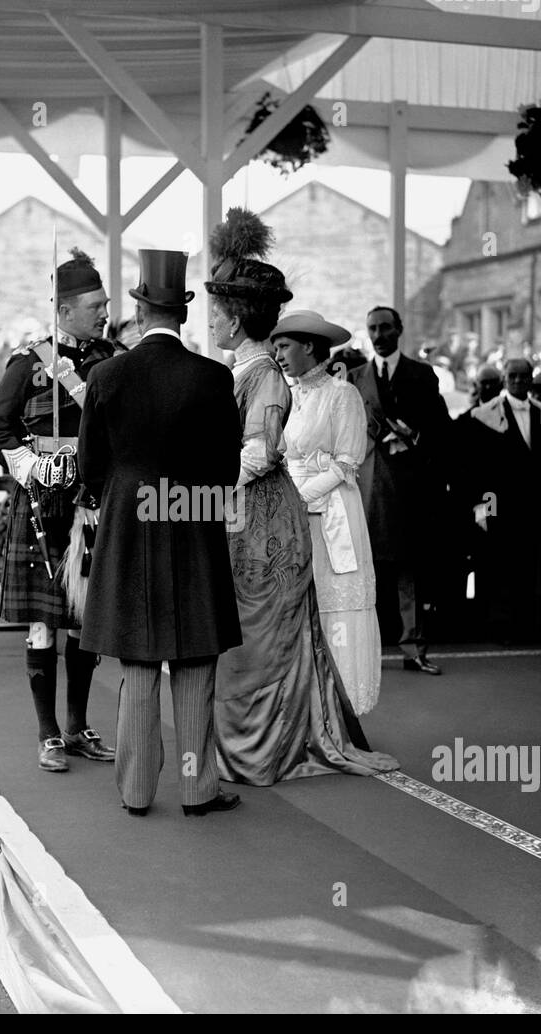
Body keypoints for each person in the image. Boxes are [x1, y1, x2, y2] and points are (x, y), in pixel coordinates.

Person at [204, 210, 397, 784]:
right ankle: (260, 737)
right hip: (265, 513)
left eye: (217, 312)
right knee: (264, 629)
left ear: (236, 318)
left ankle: (269, 741)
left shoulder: (271, 378)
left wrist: (205, 494)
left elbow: (262, 455)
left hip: (275, 516)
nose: (210, 321)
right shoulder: (257, 373)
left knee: (269, 630)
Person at [78, 249, 243, 817]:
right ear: (182, 313)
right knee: (196, 665)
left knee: (139, 666)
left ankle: (136, 790)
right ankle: (197, 788)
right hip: (193, 524)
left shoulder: (105, 376)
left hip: (128, 525)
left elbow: (89, 468)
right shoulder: (213, 378)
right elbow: (227, 468)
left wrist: (117, 498)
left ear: (141, 310)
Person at [0, 247, 122, 772]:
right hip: (39, 504)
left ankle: (80, 726)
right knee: (44, 621)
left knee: (83, 618)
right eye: (95, 305)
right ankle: (48, 734)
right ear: (63, 310)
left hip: (90, 504)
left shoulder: (110, 359)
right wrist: (30, 466)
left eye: (105, 304)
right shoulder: (28, 363)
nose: (105, 311)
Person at [273, 311, 383, 716]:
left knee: (335, 606)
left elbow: (346, 463)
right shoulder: (289, 397)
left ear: (309, 347)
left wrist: (299, 499)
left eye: (285, 346)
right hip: (295, 512)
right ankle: (305, 710)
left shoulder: (342, 394)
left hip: (332, 512)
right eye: (276, 346)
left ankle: (338, 712)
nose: (278, 354)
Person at [347, 306, 451, 675]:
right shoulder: (355, 377)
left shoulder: (422, 375)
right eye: (372, 328)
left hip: (409, 486)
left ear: (399, 330)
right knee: (366, 571)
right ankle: (364, 651)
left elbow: (441, 428)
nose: (379, 334)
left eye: (385, 328)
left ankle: (413, 649)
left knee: (409, 571)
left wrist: (415, 436)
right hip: (369, 485)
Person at [466, 357, 541, 643]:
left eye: (523, 376)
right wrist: (482, 508)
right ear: (505, 379)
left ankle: (527, 625)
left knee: (528, 564)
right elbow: (476, 468)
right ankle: (499, 626)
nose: (517, 381)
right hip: (499, 502)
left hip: (532, 503)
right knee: (499, 565)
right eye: (512, 376)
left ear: (530, 379)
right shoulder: (486, 414)